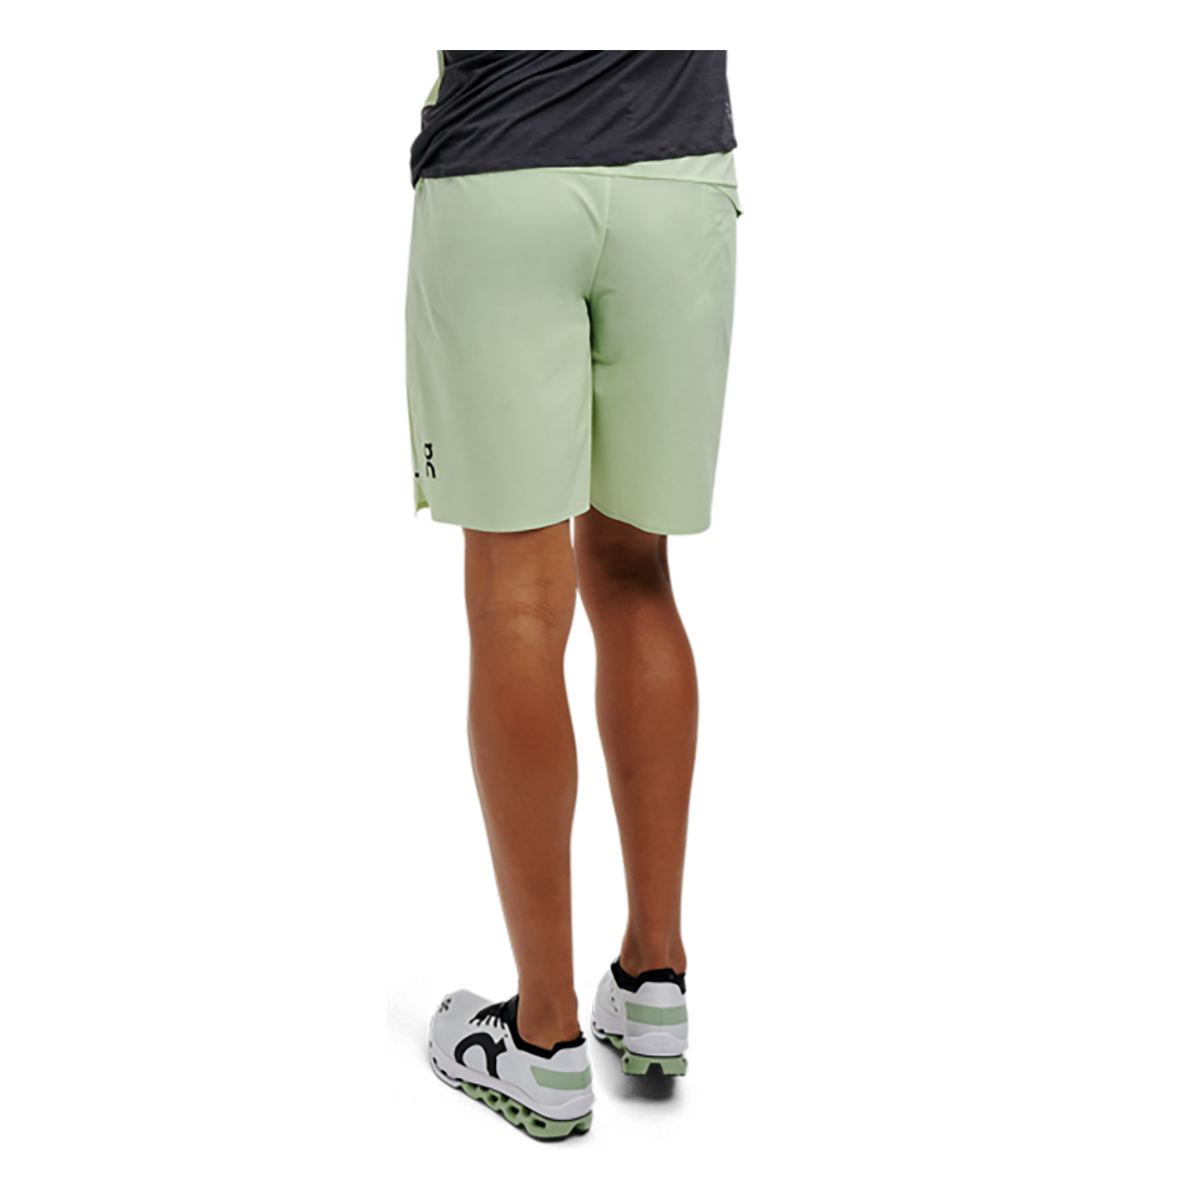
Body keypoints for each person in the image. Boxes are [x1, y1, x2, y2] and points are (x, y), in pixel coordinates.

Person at [413, 50, 740, 1136]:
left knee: (516, 603)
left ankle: (546, 1034)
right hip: (675, 186)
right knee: (638, 572)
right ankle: (655, 977)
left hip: (503, 175)